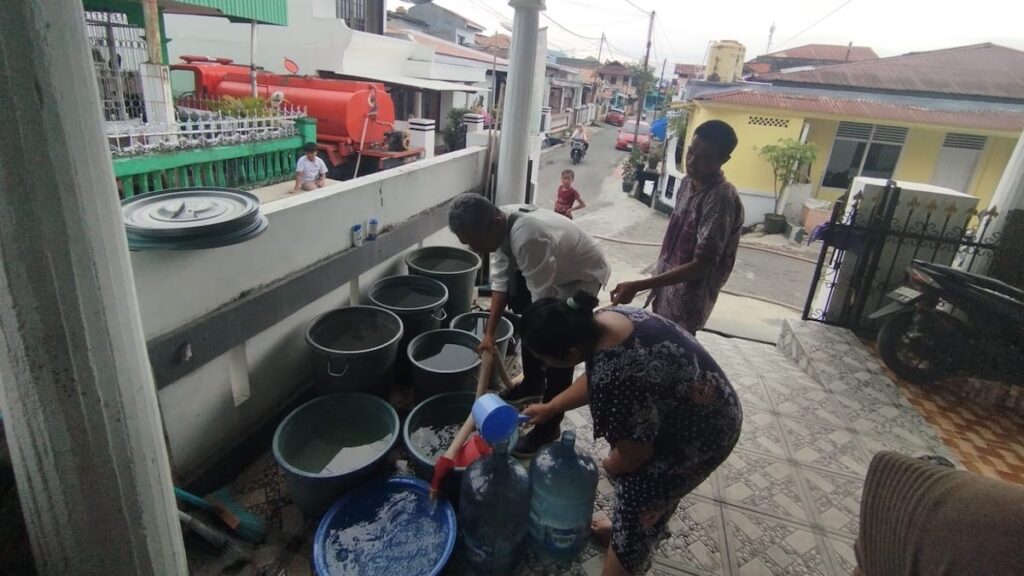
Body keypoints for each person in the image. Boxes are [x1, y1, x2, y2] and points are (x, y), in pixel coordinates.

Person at [521, 292, 741, 576]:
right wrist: (552, 407)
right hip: (707, 403)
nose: (542, 363)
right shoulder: (600, 322)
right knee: (637, 503)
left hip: (703, 434)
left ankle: (630, 546)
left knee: (639, 498)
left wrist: (612, 465)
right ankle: (629, 527)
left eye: (543, 357)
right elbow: (596, 372)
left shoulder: (617, 382)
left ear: (572, 352)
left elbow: (635, 454)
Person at [447, 194, 610, 456]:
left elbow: (542, 309)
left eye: (477, 242)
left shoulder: (527, 237)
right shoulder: (498, 226)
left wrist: (538, 336)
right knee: (528, 319)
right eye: (470, 244)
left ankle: (549, 426)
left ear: (495, 223)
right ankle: (533, 384)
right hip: (553, 271)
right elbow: (499, 284)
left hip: (582, 277)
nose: (477, 249)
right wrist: (489, 335)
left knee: (556, 344)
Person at [610, 120, 744, 334]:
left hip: (686, 303)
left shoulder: (720, 198)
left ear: (723, 160)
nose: (692, 161)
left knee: (671, 354)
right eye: (691, 151)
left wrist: (639, 285)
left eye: (704, 157)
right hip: (663, 294)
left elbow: (703, 265)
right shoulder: (687, 184)